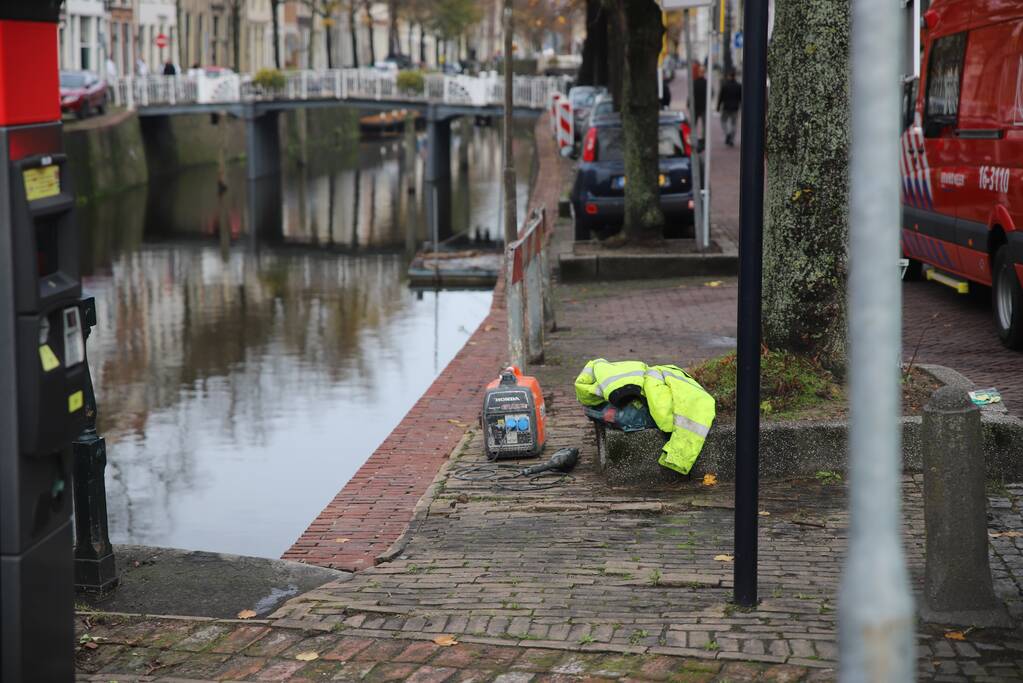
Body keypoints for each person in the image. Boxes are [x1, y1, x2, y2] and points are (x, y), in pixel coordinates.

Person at [717, 69, 742, 147]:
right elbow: (741, 98)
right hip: (735, 108)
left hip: (726, 107)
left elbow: (721, 97)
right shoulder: (739, 86)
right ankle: (731, 139)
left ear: (729, 76)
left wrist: (718, 106)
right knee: (734, 124)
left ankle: (727, 133)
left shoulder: (725, 86)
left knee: (723, 121)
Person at [692, 64, 707, 147]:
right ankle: (700, 139)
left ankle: (700, 139)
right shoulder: (705, 83)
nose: (701, 73)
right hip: (700, 107)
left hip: (698, 107)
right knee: (701, 124)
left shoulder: (695, 82)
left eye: (701, 72)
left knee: (697, 124)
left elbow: (691, 94)